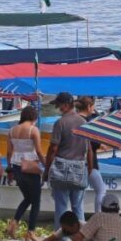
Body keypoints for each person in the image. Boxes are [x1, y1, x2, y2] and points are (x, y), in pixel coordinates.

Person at [44, 92, 90, 230]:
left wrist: (46, 170)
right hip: (80, 167)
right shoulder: (83, 122)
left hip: (61, 168)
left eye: (58, 105)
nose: (58, 108)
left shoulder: (60, 123)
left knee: (61, 206)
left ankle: (61, 238)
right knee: (78, 206)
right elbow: (89, 150)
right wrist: (91, 169)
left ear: (65, 106)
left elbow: (53, 149)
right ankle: (82, 237)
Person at [6, 105, 44, 241]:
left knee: (28, 198)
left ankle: (14, 223)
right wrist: (46, 165)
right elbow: (39, 152)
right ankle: (31, 232)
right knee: (36, 201)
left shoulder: (11, 131)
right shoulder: (34, 130)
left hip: (17, 166)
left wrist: (9, 168)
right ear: (33, 117)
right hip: (30, 166)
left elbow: (9, 152)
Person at [77, 96, 106, 212]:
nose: (93, 110)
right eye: (93, 106)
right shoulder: (87, 122)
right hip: (90, 162)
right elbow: (91, 143)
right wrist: (100, 145)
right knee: (101, 190)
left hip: (77, 160)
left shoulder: (74, 120)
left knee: (79, 195)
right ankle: (98, 215)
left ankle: (80, 219)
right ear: (89, 107)